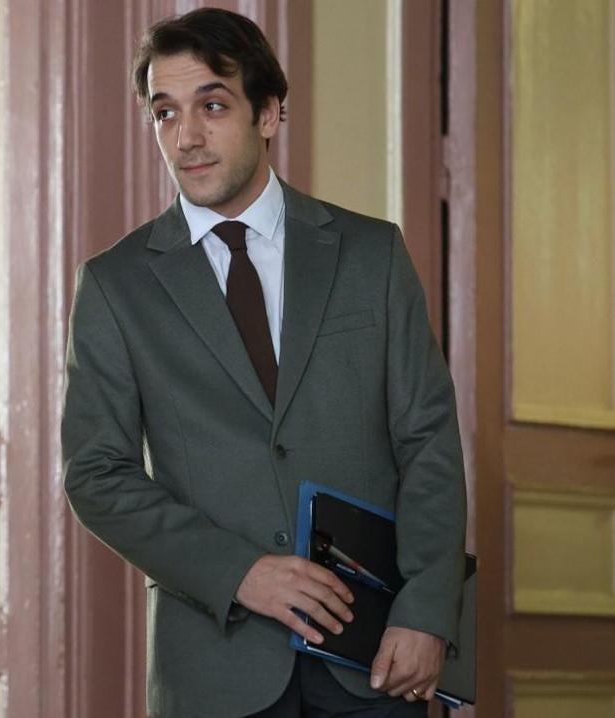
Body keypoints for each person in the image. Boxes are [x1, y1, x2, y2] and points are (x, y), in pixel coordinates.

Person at [62, 7, 466, 718]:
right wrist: (240, 571)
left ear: (270, 112)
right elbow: (96, 475)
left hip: (375, 659)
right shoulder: (116, 285)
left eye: (212, 106)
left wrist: (428, 611)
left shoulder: (371, 254)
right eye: (165, 112)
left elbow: (427, 441)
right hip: (213, 671)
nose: (186, 137)